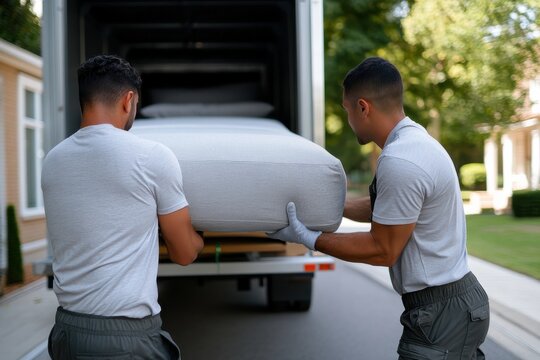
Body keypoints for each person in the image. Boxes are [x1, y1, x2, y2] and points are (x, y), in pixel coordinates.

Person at [268, 57, 490, 359]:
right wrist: (329, 206)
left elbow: (382, 249)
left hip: (440, 314)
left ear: (363, 107)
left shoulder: (401, 160)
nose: (348, 122)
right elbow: (387, 208)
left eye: (347, 111)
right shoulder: (414, 141)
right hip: (451, 304)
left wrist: (309, 238)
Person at [42, 54, 204, 359]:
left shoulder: (53, 160)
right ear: (128, 100)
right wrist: (198, 239)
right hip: (124, 340)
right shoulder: (152, 156)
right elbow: (183, 254)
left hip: (66, 333)